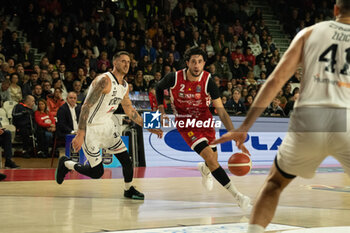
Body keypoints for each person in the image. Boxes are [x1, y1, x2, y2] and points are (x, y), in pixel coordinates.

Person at [212, 2, 350, 232]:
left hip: (309, 121)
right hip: (346, 121)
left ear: (336, 10)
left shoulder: (310, 33)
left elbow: (276, 81)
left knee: (275, 184)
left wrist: (245, 126)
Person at [55, 51, 162, 200]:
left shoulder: (124, 85)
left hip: (107, 126)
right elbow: (85, 106)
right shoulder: (104, 80)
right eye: (123, 61)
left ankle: (128, 189)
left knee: (126, 160)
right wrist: (80, 133)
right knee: (97, 172)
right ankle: (66, 164)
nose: (126, 64)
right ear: (115, 63)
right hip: (91, 128)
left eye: (129, 62)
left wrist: (148, 126)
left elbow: (130, 110)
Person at [155, 46, 251, 210]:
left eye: (200, 62)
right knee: (210, 157)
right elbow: (158, 87)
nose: (196, 65)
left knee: (212, 159)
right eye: (193, 62)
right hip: (186, 122)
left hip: (205, 121)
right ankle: (239, 197)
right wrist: (161, 111)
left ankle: (204, 169)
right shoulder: (174, 77)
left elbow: (222, 112)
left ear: (204, 63)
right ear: (187, 63)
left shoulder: (208, 81)